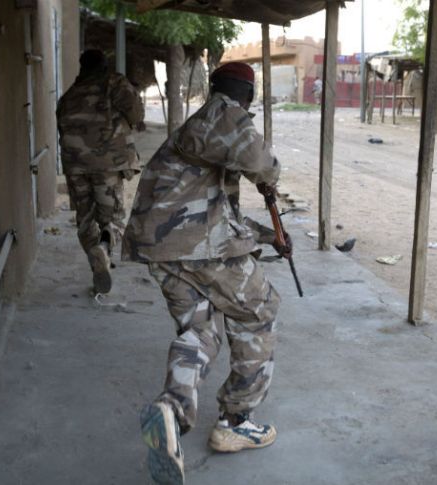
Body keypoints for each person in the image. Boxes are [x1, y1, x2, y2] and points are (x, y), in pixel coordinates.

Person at [122, 62, 292, 485]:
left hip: (162, 247)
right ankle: (236, 421)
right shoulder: (225, 115)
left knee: (200, 333)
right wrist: (268, 182)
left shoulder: (201, 128)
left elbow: (220, 211)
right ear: (248, 95)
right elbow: (266, 165)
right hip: (197, 246)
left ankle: (171, 409)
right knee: (260, 311)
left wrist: (268, 236)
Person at [56, 49, 145, 294]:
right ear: (104, 65)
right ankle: (104, 251)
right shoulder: (114, 82)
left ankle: (97, 263)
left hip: (75, 164)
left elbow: (61, 127)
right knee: (113, 218)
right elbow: (136, 113)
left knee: (85, 218)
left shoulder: (70, 94)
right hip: (108, 163)